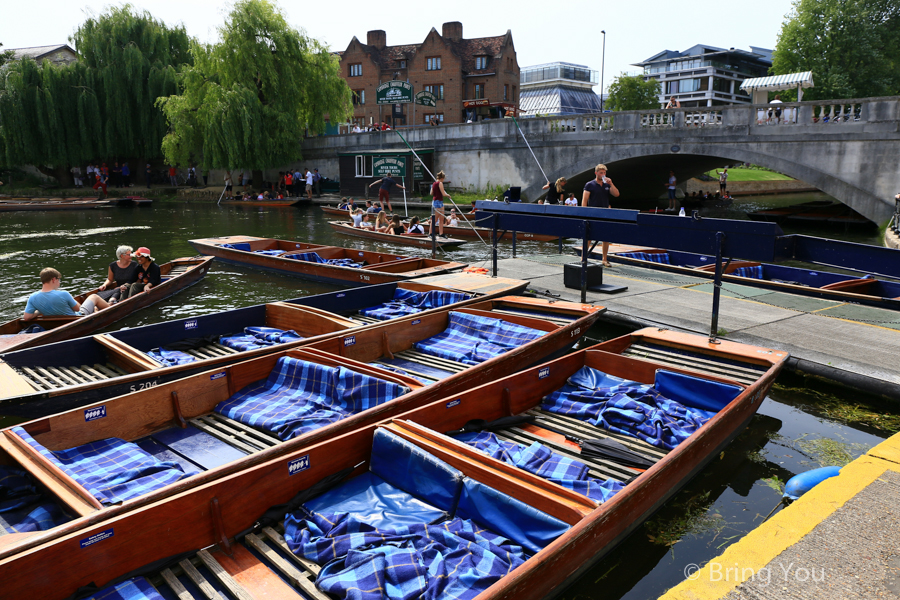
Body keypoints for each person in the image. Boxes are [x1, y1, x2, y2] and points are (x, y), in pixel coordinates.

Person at [23, 268, 110, 321]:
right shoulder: (64, 294)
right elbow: (78, 309)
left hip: (55, 324)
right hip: (76, 319)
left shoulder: (33, 297)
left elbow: (27, 317)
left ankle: (98, 309)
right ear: (53, 279)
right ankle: (112, 309)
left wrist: (39, 311)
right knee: (94, 296)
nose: (59, 282)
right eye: (58, 279)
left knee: (93, 306)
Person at [582, 163, 620, 266]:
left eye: (604, 172)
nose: (603, 174)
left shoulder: (607, 184)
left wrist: (611, 183)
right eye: (601, 172)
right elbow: (584, 200)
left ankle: (604, 259)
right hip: (592, 214)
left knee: (605, 237)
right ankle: (583, 258)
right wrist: (584, 214)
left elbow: (616, 194)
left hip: (605, 214)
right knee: (588, 237)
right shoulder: (589, 184)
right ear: (596, 173)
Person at [431, 171, 451, 237]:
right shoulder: (440, 183)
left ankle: (441, 233)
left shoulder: (434, 183)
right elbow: (443, 194)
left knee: (441, 218)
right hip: (437, 202)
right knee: (435, 219)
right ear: (442, 178)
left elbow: (431, 193)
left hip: (440, 202)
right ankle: (430, 233)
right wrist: (448, 195)